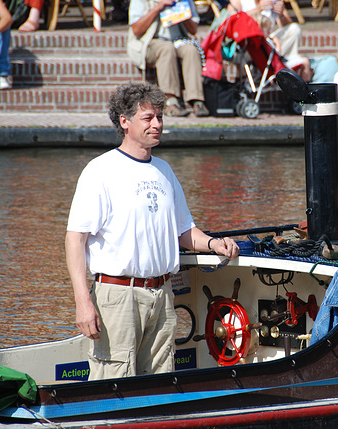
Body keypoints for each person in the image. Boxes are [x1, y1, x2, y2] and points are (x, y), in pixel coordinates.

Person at [66, 82, 240, 380]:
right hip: (117, 297)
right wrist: (83, 302)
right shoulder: (100, 171)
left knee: (161, 381)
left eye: (160, 117)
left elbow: (185, 232)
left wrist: (214, 244)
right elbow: (75, 239)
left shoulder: (164, 171)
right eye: (148, 118)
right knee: (114, 383)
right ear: (125, 121)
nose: (157, 124)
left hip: (161, 294)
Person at [127, 0, 210, 117]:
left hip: (179, 41)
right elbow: (136, 29)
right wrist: (158, 7)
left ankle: (197, 101)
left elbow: (193, 30)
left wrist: (182, 12)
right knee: (167, 48)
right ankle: (170, 102)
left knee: (190, 50)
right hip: (149, 42)